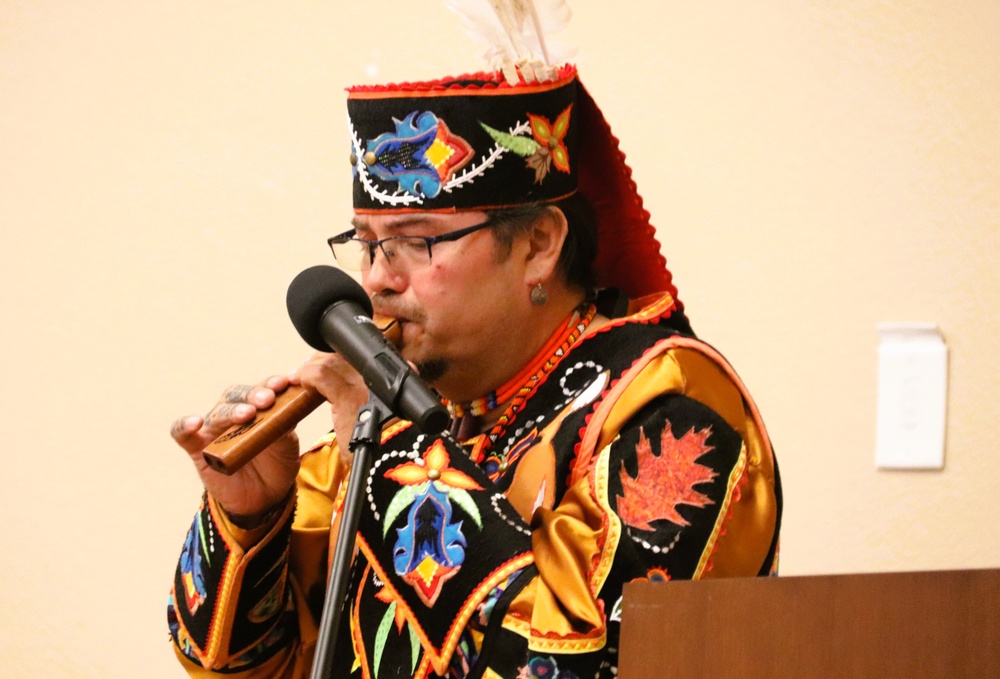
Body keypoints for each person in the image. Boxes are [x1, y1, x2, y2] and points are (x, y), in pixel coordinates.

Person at [167, 57, 782, 678]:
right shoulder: (383, 428)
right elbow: (239, 667)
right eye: (368, 243)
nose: (379, 279)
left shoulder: (671, 408)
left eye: (418, 240)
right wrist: (252, 518)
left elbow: (569, 664)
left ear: (539, 244)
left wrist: (388, 460)